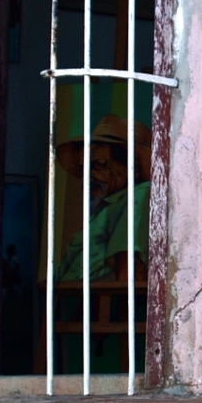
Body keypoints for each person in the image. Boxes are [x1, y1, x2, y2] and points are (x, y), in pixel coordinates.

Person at [55, 114, 152, 282]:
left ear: (132, 165)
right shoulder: (109, 205)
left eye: (100, 165)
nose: (89, 177)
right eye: (83, 169)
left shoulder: (138, 195)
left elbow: (127, 274)